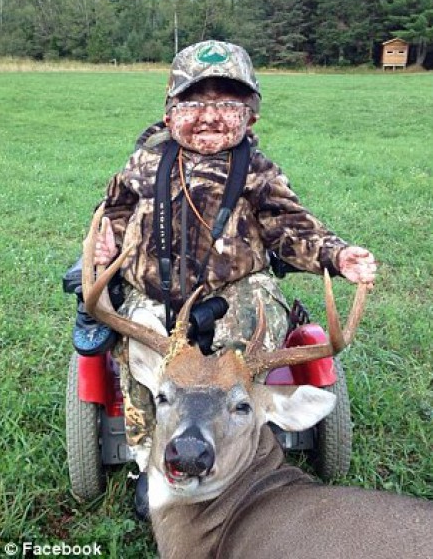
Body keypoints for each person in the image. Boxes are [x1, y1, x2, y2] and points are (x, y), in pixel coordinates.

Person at [90, 40, 376, 516]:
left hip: (239, 290)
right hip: (155, 292)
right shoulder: (142, 163)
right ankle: (149, 458)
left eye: (227, 104)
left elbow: (291, 226)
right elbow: (115, 210)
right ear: (169, 112)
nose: (209, 116)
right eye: (192, 103)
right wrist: (109, 238)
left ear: (251, 116)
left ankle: (234, 451)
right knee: (142, 350)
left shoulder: (258, 172)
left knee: (240, 351)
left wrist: (336, 254)